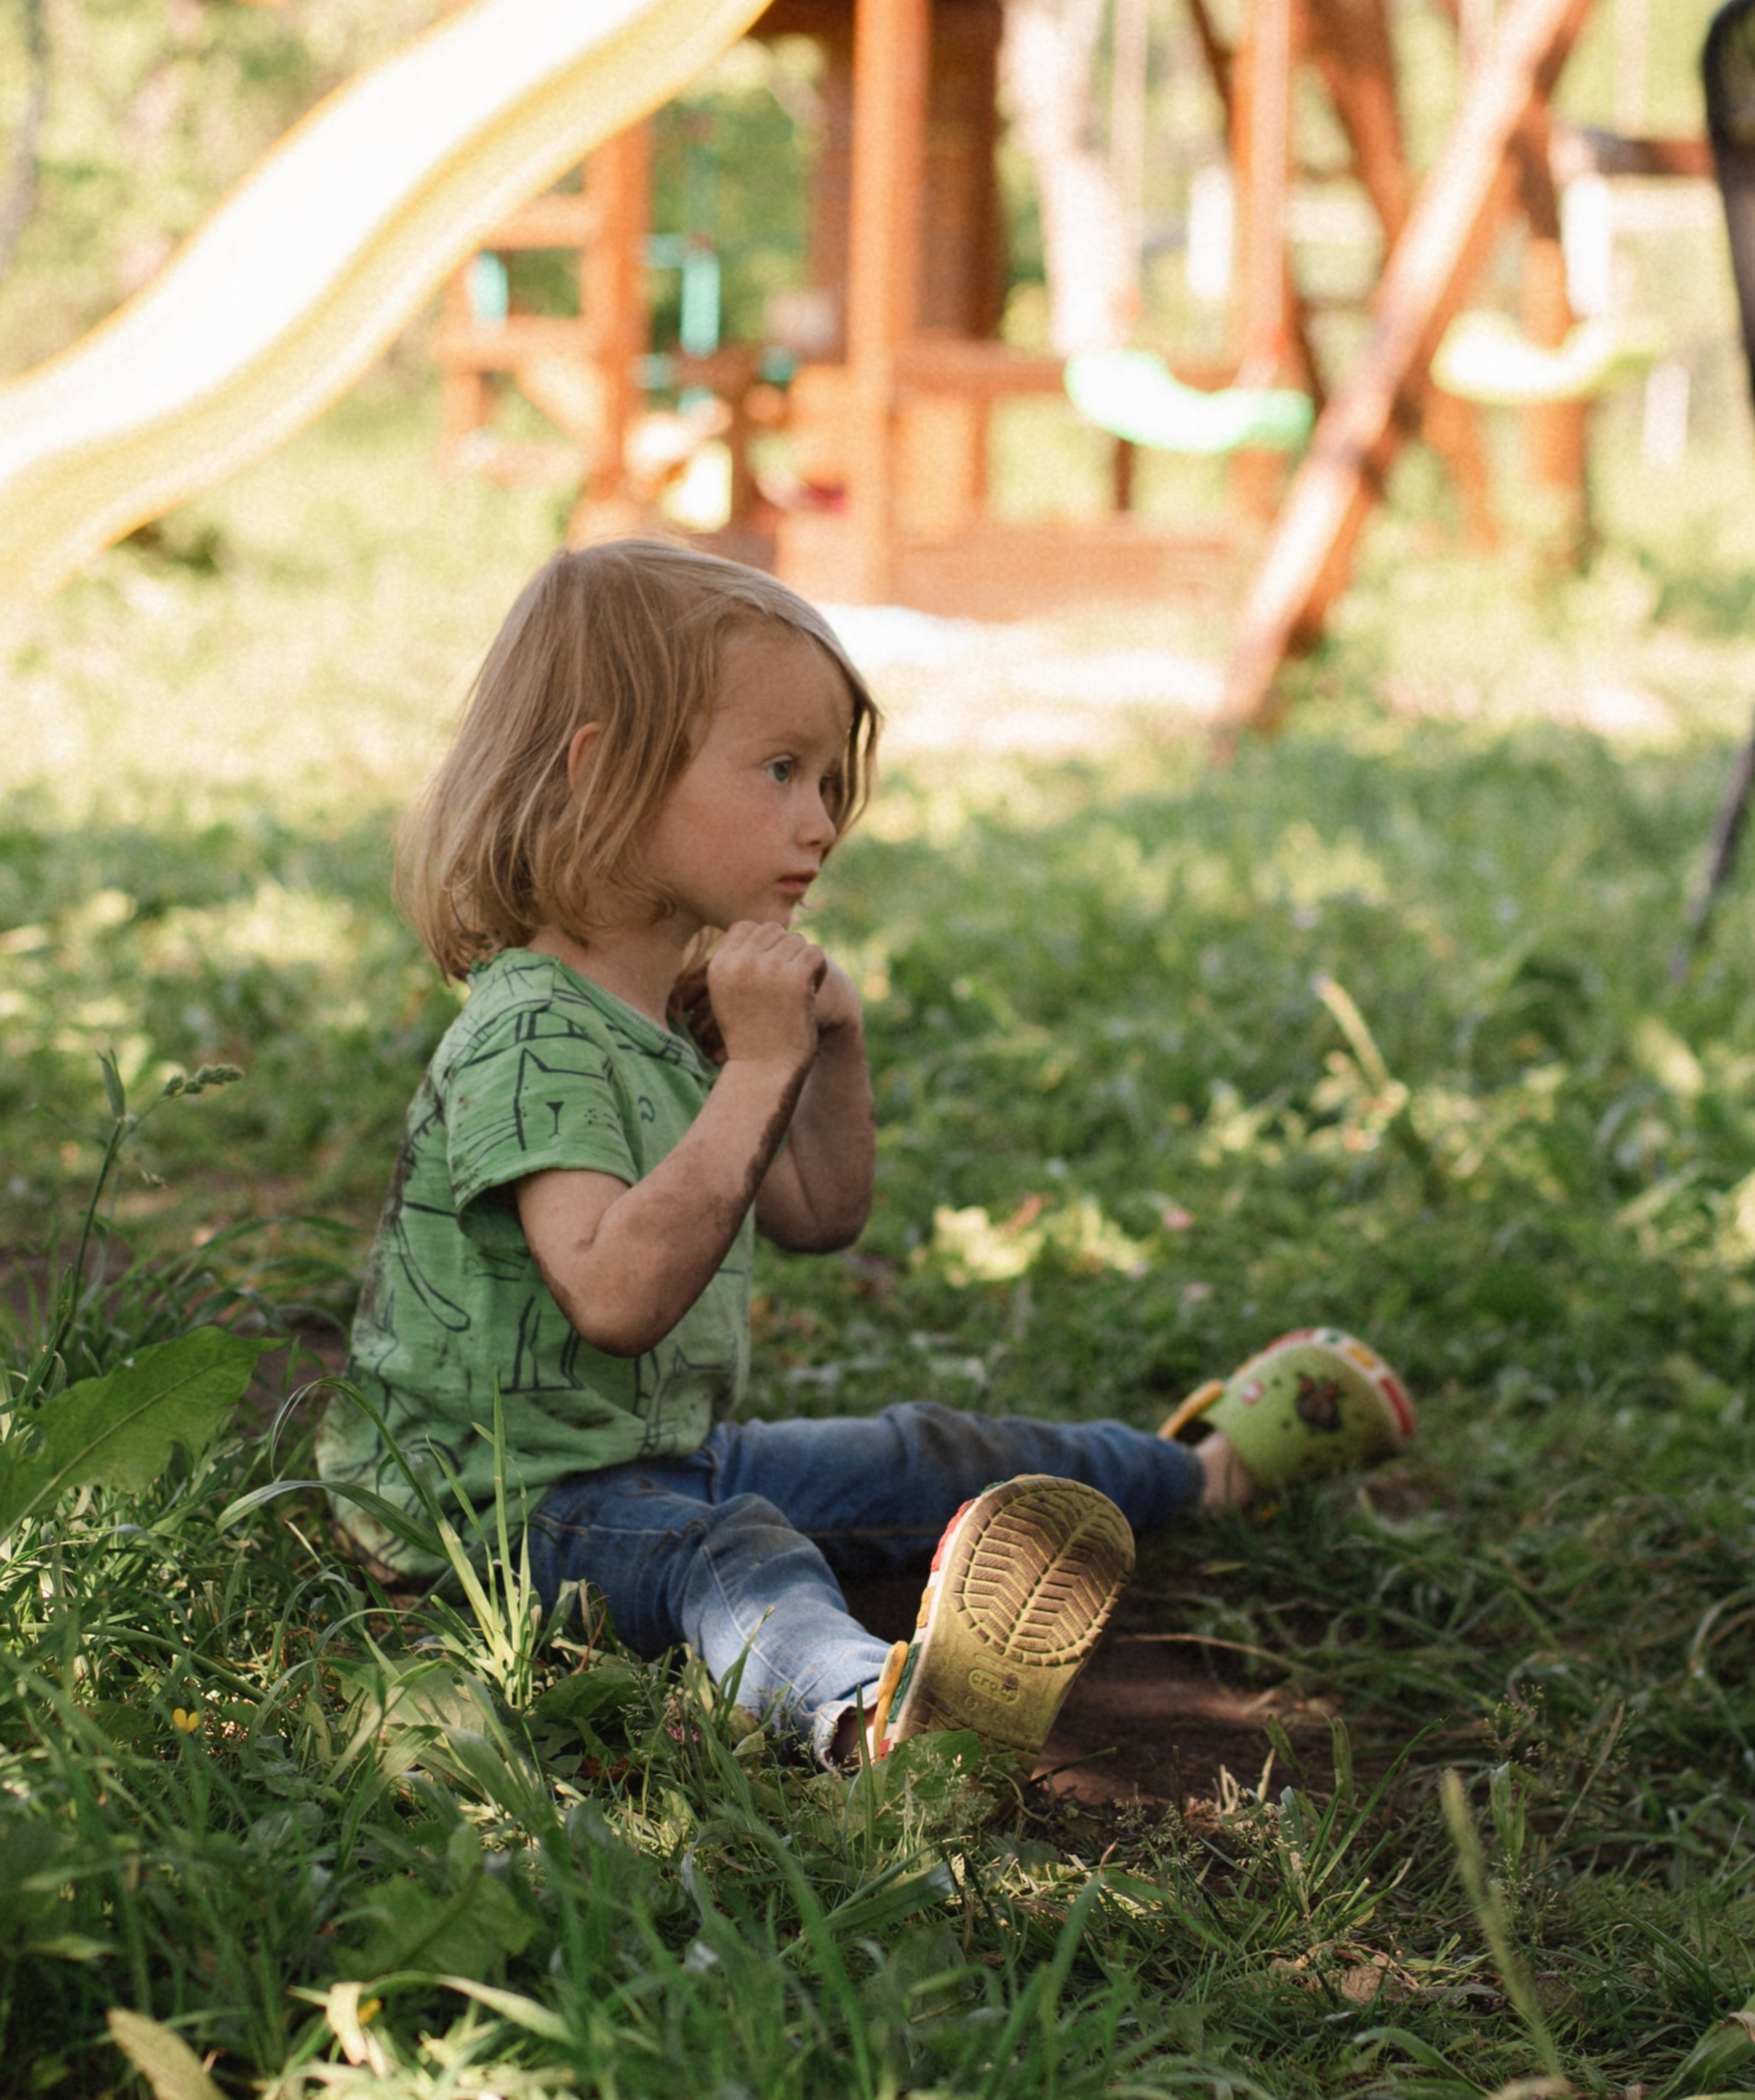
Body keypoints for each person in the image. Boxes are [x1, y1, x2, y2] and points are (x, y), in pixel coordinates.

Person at [320, 539, 1411, 1770]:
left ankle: (1195, 1475)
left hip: (649, 1455)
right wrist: (757, 1068)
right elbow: (618, 1296)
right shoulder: (531, 1031)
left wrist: (822, 1047)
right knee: (730, 1553)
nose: (822, 821)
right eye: (781, 771)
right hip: (490, 1516)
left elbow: (818, 1212)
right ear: (606, 771)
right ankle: (870, 1726)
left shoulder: (668, 1012)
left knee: (923, 1454)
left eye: (831, 781)